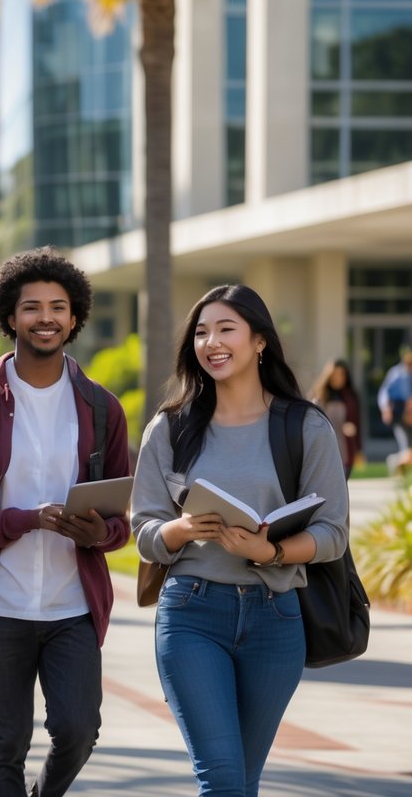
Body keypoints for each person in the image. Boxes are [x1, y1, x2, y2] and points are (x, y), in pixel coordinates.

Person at [0, 246, 132, 797]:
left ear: (75, 317)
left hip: (74, 608)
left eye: (59, 307)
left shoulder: (102, 409)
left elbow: (121, 519)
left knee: (78, 731)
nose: (46, 318)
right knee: (7, 745)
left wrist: (100, 534)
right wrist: (21, 521)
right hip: (0, 606)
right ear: (9, 317)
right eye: (33, 307)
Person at [130, 284, 349, 797]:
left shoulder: (305, 425)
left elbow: (333, 532)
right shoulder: (171, 427)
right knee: (224, 781)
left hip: (277, 619)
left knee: (242, 783)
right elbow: (143, 529)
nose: (212, 342)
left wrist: (269, 551)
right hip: (191, 613)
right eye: (202, 332)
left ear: (259, 342)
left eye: (226, 329)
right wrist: (180, 530)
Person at [308, 358, 364, 479]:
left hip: (346, 448)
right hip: (325, 449)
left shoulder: (351, 396)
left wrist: (359, 449)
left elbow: (357, 424)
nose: (338, 378)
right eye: (335, 374)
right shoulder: (319, 396)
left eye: (341, 374)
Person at [377, 345, 412, 468]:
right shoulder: (396, 373)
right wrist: (386, 409)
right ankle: (396, 464)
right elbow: (384, 393)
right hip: (400, 412)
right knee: (406, 446)